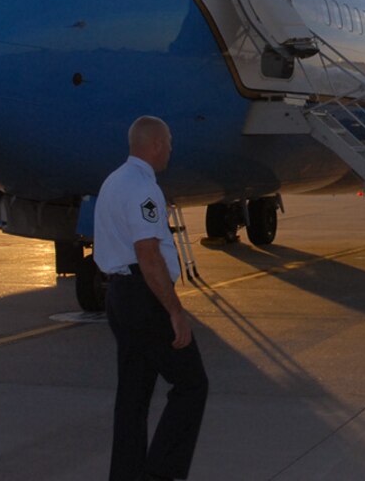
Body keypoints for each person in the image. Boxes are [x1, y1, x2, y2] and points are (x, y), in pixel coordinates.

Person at [94, 116, 209, 481]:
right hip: (144, 298)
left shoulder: (114, 181)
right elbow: (148, 255)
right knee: (192, 383)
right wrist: (175, 312)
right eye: (170, 141)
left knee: (133, 397)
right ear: (156, 144)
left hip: (118, 295)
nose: (172, 148)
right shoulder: (144, 189)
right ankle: (161, 473)